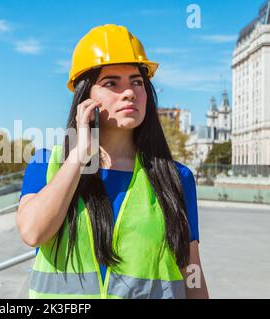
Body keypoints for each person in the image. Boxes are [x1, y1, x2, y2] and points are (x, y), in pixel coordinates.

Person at [16, 24, 209, 299]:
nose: (129, 92)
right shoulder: (47, 164)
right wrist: (80, 155)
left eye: (137, 82)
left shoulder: (177, 177)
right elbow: (33, 232)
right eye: (111, 83)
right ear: (85, 97)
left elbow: (191, 270)